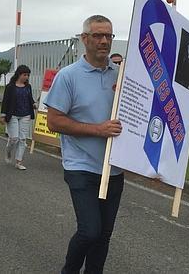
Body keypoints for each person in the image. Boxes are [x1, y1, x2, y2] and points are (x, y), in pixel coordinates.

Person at [44, 15, 124, 274]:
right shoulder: (68, 77)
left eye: (108, 36)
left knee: (104, 235)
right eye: (98, 35)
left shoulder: (121, 76)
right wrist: (98, 130)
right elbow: (55, 122)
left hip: (113, 169)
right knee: (90, 231)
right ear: (84, 39)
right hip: (81, 167)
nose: (104, 41)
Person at [0, 64, 36, 170]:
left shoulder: (28, 87)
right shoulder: (10, 87)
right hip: (13, 115)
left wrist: (33, 104)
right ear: (19, 74)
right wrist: (3, 115)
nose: (26, 77)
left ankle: (18, 162)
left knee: (23, 139)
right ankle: (8, 151)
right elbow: (5, 101)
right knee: (14, 139)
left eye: (28, 75)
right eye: (24, 74)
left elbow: (30, 99)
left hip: (25, 115)